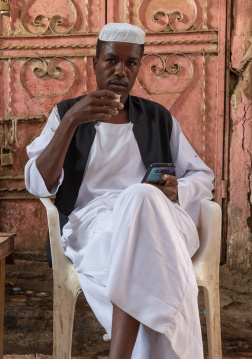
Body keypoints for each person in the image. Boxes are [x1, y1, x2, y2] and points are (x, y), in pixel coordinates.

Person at [24, 23, 214, 359]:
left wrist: (177, 189)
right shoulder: (66, 113)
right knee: (140, 240)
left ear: (139, 67)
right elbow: (38, 183)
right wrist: (71, 123)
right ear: (94, 62)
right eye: (111, 61)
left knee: (140, 196)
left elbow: (201, 176)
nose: (120, 71)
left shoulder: (159, 117)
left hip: (162, 220)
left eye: (130, 63)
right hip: (96, 225)